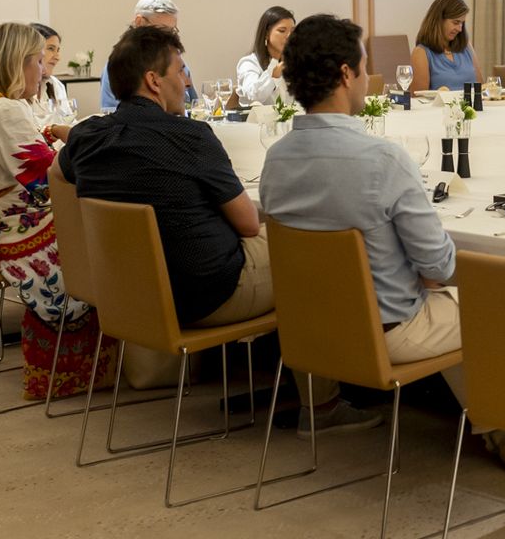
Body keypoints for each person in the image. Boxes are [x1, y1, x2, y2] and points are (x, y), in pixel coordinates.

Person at [57, 24, 375, 434]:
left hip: (133, 296)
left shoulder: (88, 136)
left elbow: (56, 173)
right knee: (315, 250)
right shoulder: (189, 137)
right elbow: (245, 223)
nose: (186, 80)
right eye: (181, 71)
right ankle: (326, 403)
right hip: (208, 294)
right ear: (154, 81)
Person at [260, 15, 505, 453]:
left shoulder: (276, 159)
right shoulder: (382, 159)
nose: (367, 78)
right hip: (385, 333)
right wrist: (426, 277)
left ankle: (320, 409)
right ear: (346, 73)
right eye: (364, 66)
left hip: (309, 330)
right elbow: (439, 265)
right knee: (504, 298)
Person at [0, 22, 106, 400]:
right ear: (19, 64)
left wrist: (51, 133)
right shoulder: (6, 112)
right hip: (17, 237)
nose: (44, 69)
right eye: (37, 60)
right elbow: (48, 181)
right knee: (117, 232)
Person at [97, 0, 194, 109]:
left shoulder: (179, 66)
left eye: (172, 31)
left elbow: (194, 105)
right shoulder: (119, 68)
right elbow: (111, 113)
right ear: (139, 22)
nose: (168, 37)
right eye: (162, 29)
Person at [410, 0, 481, 92]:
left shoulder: (466, 47)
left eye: (462, 23)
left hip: (470, 107)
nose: (460, 29)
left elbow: (480, 88)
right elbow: (417, 99)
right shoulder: (421, 53)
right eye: (455, 23)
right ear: (439, 21)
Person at [235, 6, 294, 106]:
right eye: (282, 31)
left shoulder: (292, 63)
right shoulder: (249, 63)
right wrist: (273, 76)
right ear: (266, 34)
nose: (289, 36)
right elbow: (253, 95)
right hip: (255, 121)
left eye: (292, 31)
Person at [28, 21, 73, 142]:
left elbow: (69, 121)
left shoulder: (56, 85)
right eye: (51, 49)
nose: (57, 57)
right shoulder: (19, 91)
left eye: (58, 50)